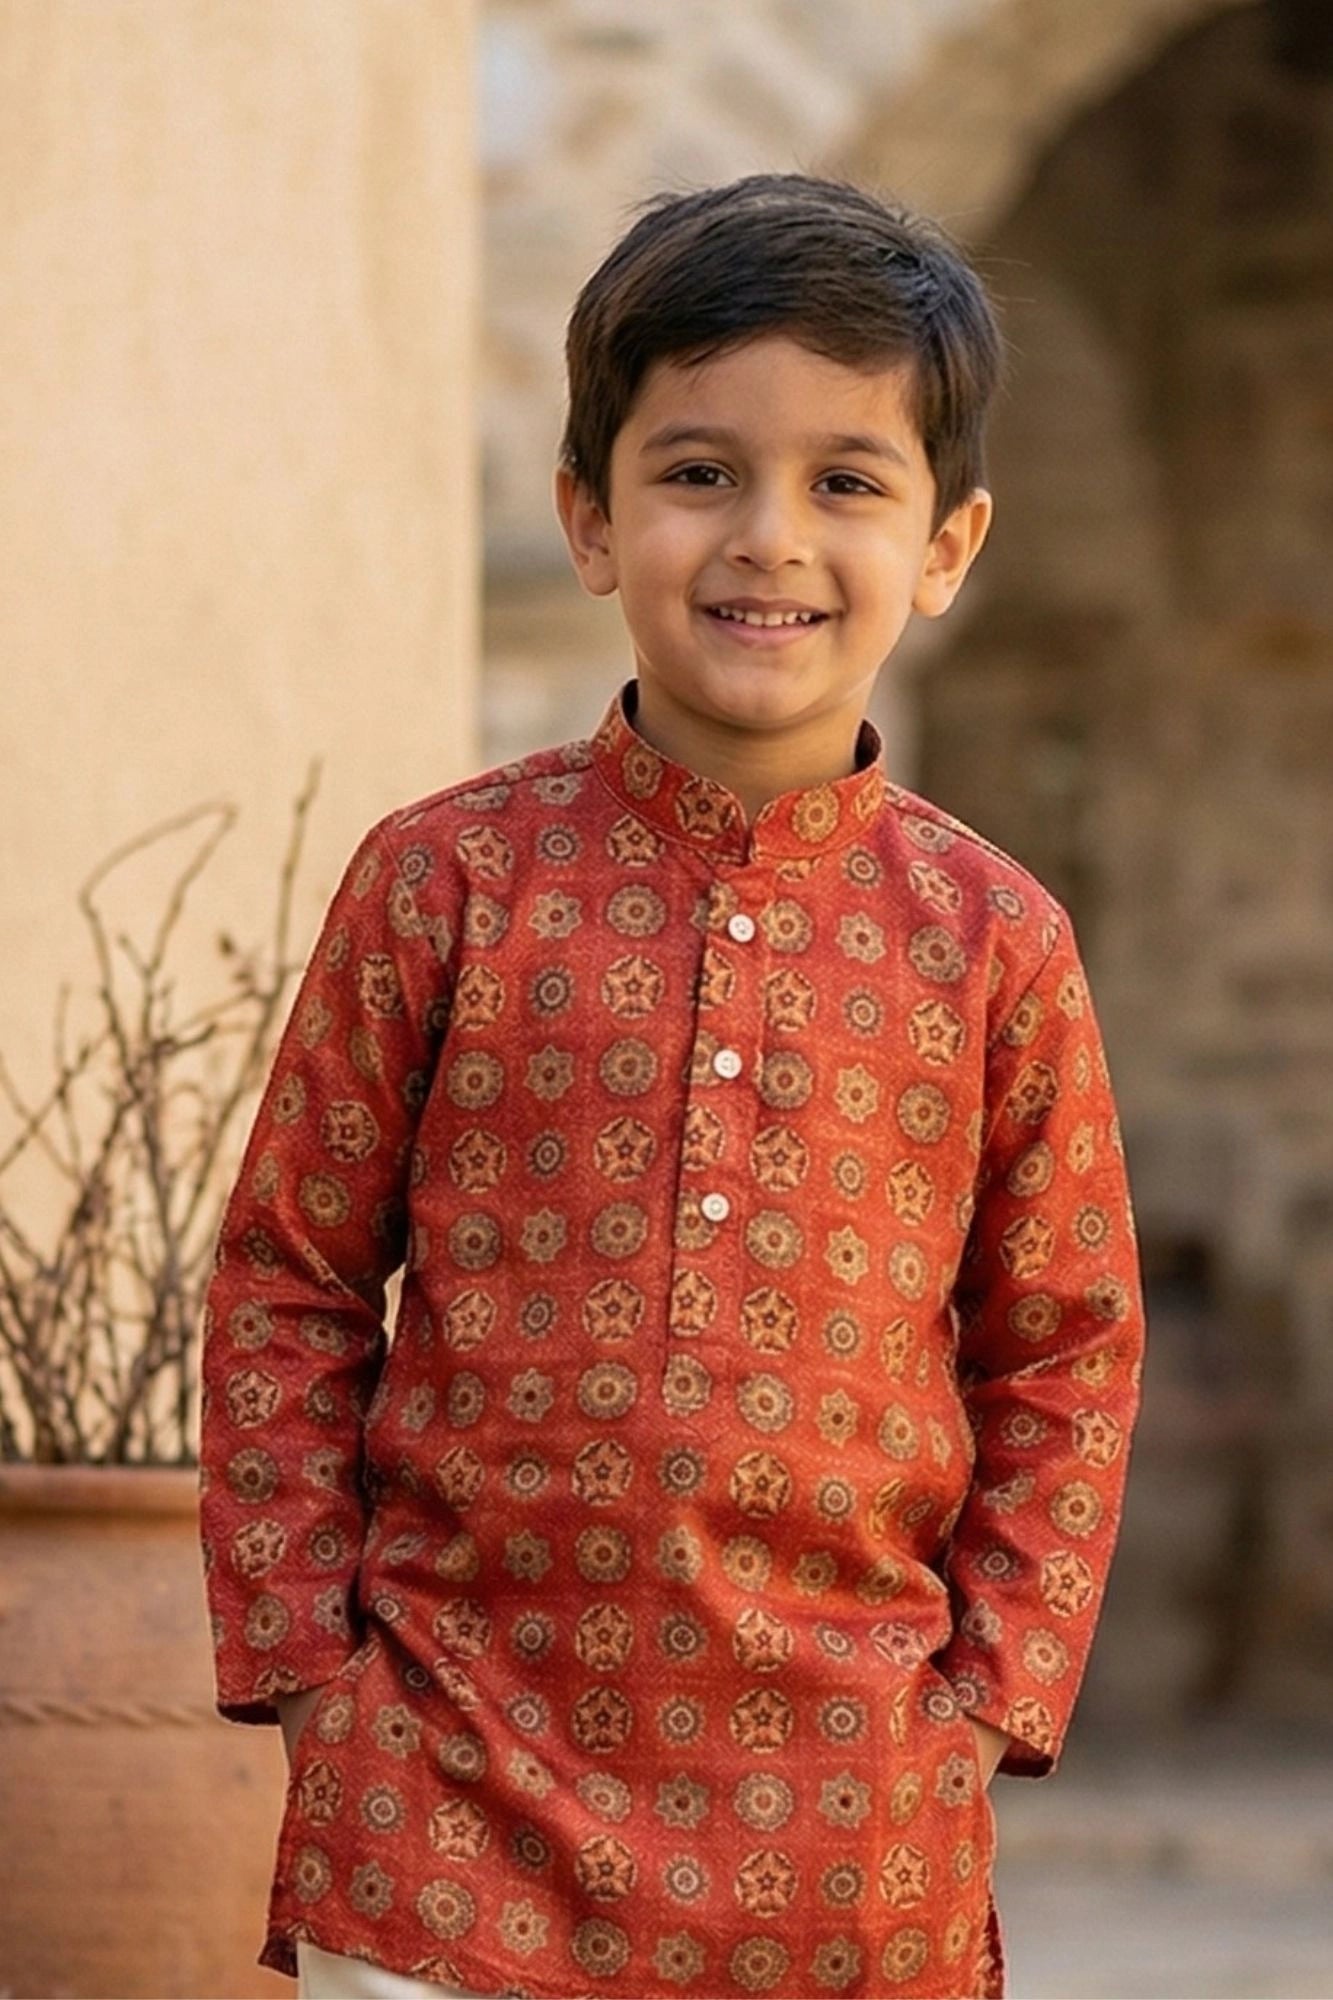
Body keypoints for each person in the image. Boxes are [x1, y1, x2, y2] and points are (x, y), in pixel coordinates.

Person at [199, 173, 1145, 2000]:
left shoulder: (992, 939)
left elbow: (1065, 1349)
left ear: (946, 547)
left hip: (850, 1831)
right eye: (699, 472)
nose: (766, 539)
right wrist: (312, 1673)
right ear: (588, 515)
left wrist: (978, 1706)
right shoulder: (446, 880)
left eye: (846, 483)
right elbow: (287, 1280)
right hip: (446, 1799)